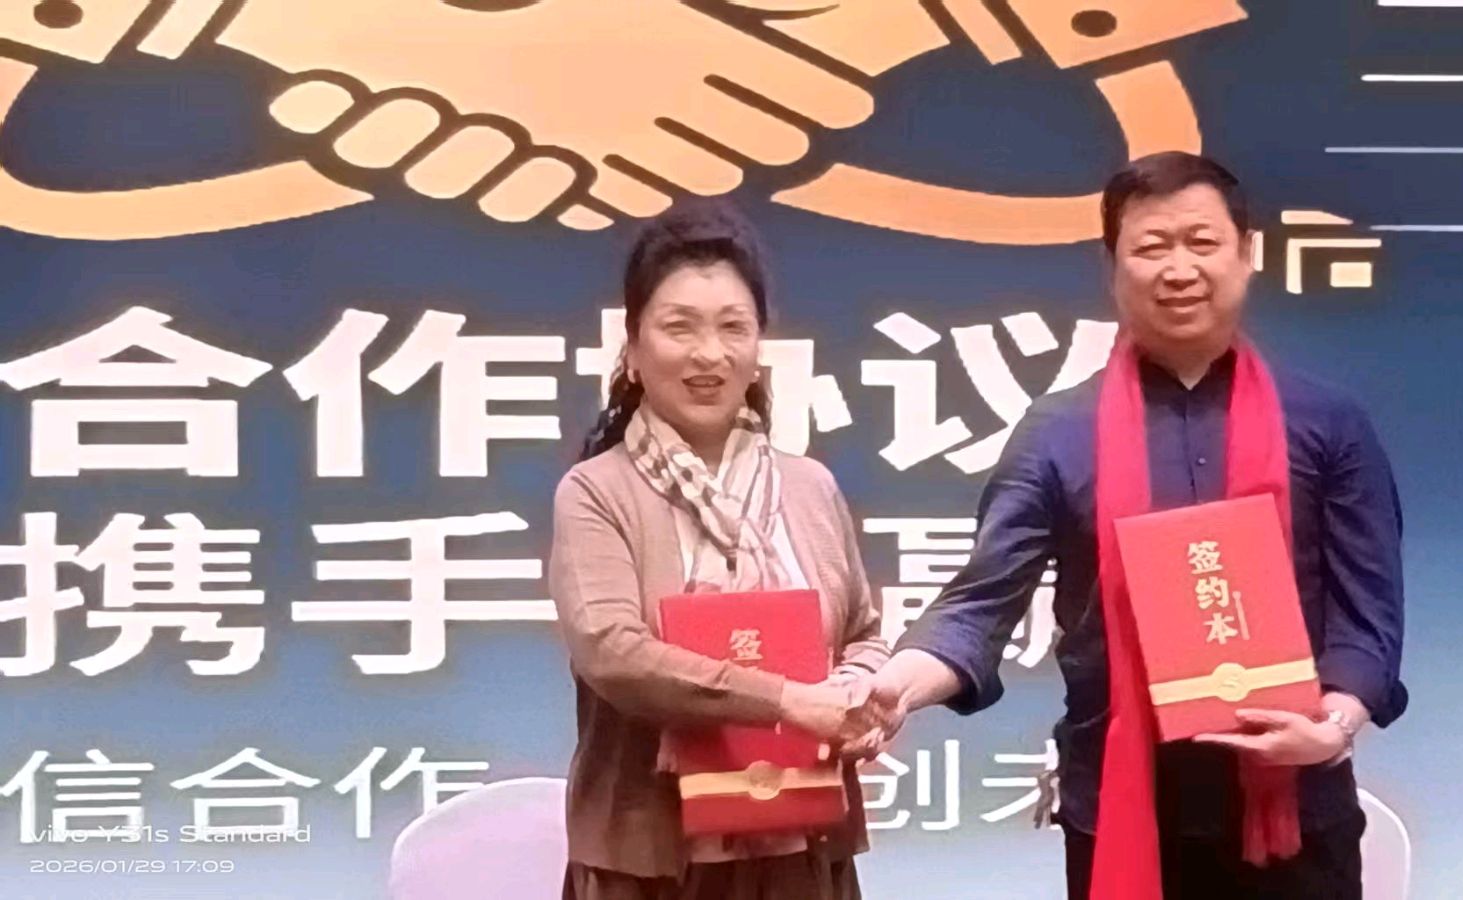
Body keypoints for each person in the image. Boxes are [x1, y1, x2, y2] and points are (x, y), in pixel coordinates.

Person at [852, 152, 1407, 899]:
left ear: (1246, 254)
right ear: (1111, 266)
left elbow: (1368, 619)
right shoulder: (1057, 434)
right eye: (1151, 246)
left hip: (1298, 813)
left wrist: (1333, 726)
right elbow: (979, 606)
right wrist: (894, 686)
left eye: (1201, 242)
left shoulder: (1328, 422)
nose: (1179, 269)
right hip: (1119, 812)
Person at [550, 200, 887, 900]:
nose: (709, 354)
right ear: (632, 347)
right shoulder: (596, 491)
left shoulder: (809, 487)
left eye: (733, 326)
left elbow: (862, 633)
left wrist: (859, 695)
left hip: (803, 846)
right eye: (679, 326)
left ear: (759, 345)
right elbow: (613, 650)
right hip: (650, 862)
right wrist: (786, 701)